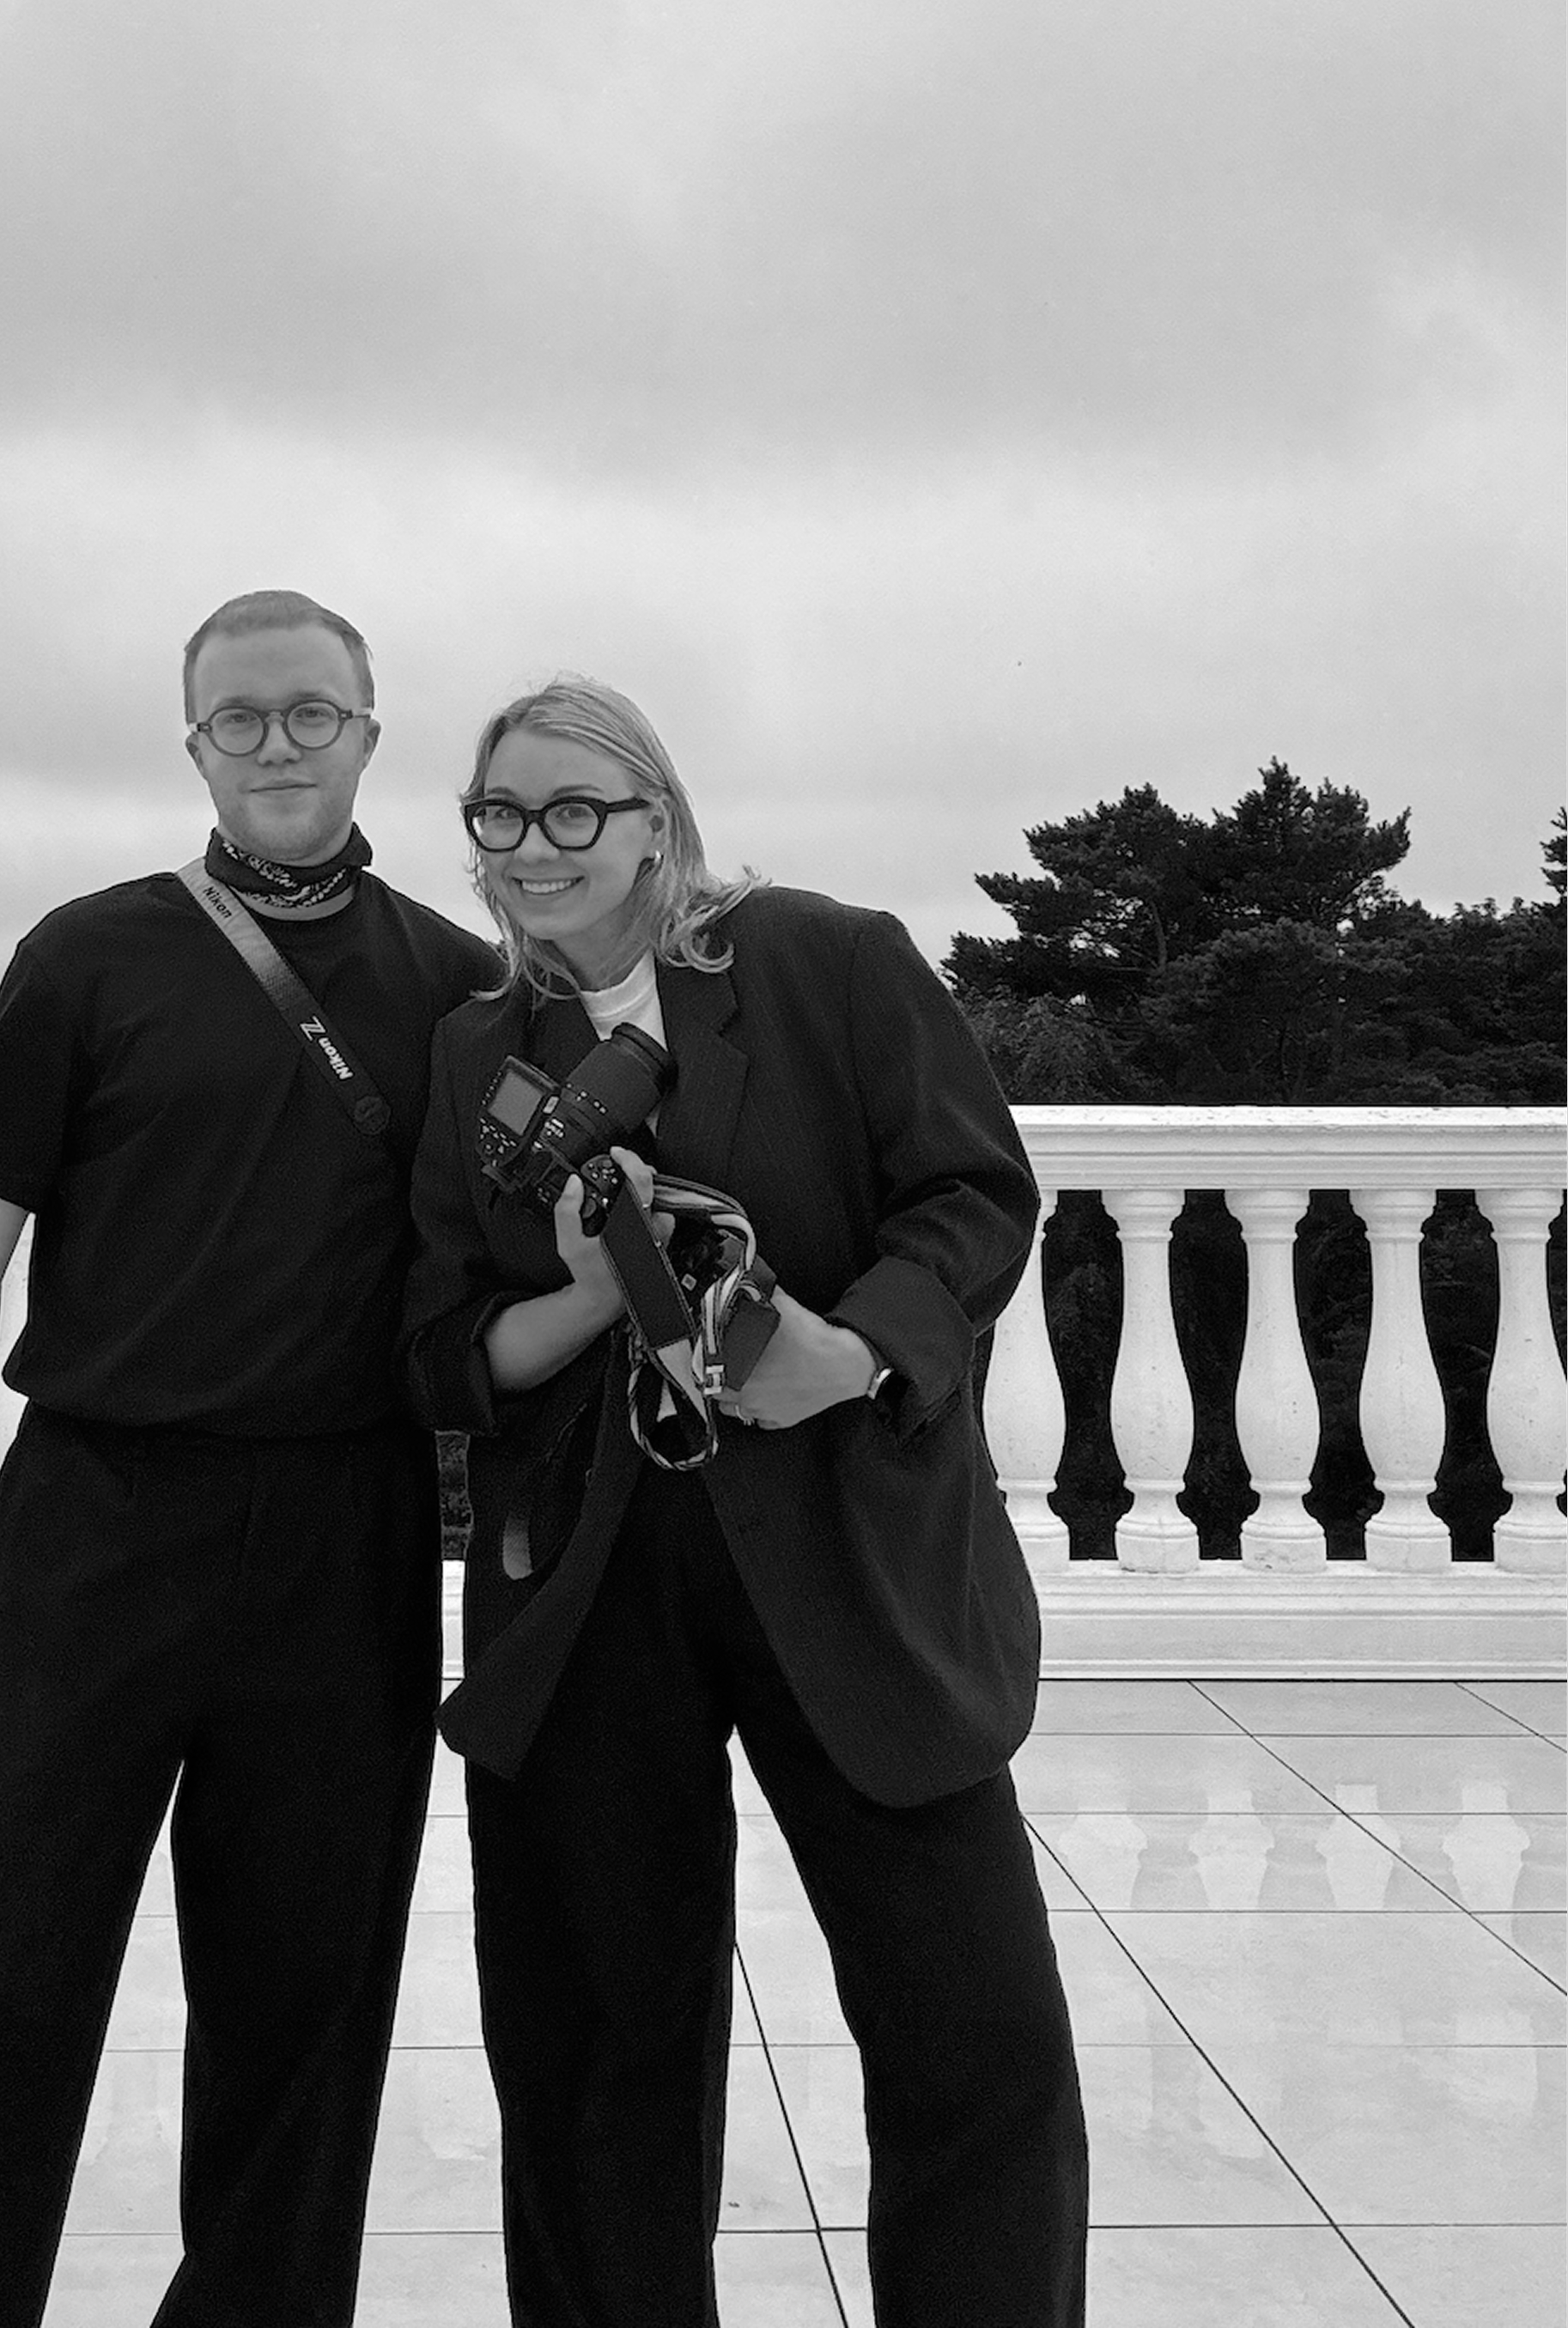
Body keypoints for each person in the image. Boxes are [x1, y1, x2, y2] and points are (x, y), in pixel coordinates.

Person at [0, 590, 495, 2328]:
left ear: (369, 728)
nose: (276, 742)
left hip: (347, 1538)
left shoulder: (449, 982)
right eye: (238, 715)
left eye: (310, 712)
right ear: (192, 738)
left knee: (305, 2011)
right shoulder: (91, 954)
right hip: (98, 1523)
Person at [404, 675, 1089, 2328]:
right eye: (502, 815)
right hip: (583, 1583)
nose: (536, 849)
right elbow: (439, 1345)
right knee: (593, 2063)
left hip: (852, 1552)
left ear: (660, 817)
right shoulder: (478, 1048)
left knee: (971, 2035)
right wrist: (583, 1289)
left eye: (579, 811)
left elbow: (975, 1194)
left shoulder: (822, 961)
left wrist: (846, 1352)